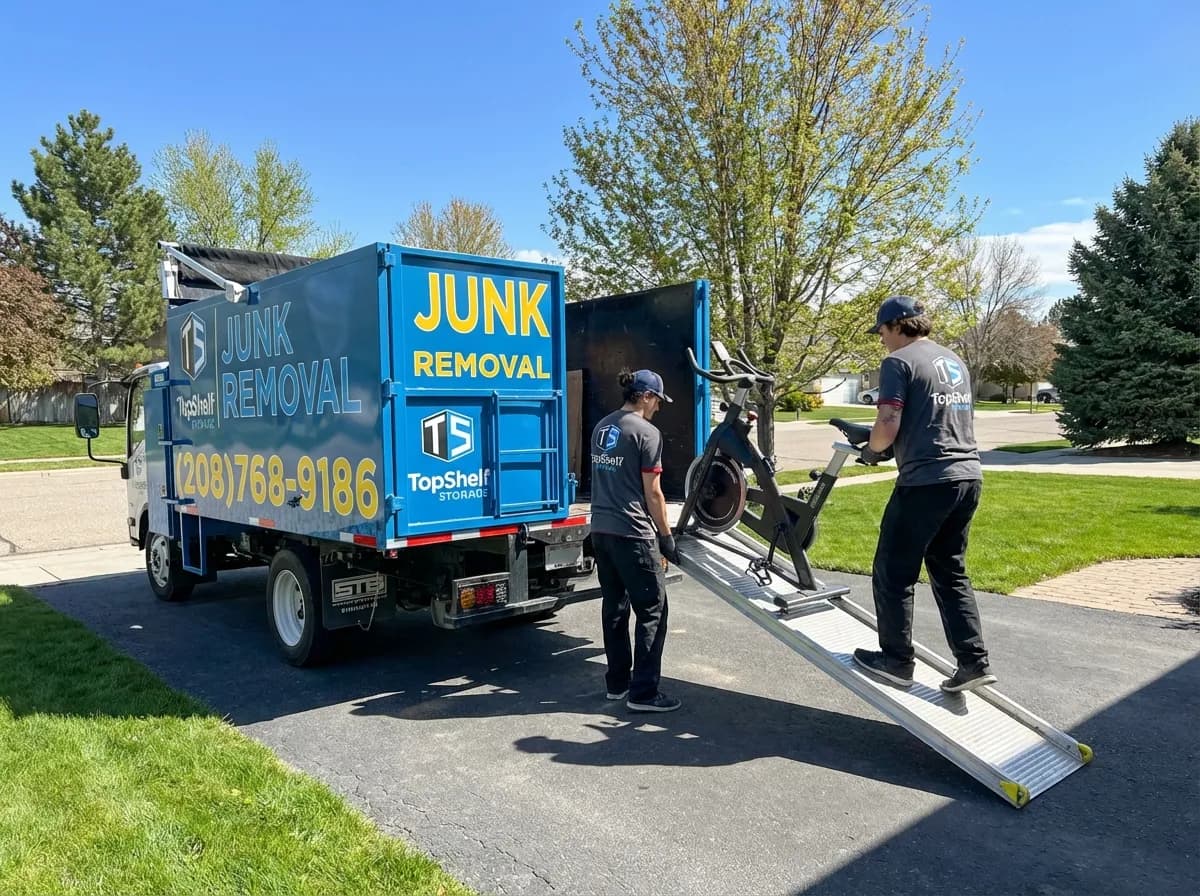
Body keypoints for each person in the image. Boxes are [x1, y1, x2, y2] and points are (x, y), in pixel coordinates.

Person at [851, 295, 998, 694]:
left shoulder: (898, 362)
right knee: (949, 569)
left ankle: (896, 660)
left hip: (926, 481)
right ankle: (973, 662)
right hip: (968, 477)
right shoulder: (952, 360)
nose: (881, 339)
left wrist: (873, 450)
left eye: (881, 330)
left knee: (893, 571)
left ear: (897, 325)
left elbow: (888, 419)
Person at [590, 368, 683, 713]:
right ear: (645, 396)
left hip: (601, 530)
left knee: (614, 608)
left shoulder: (603, 426)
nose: (659, 406)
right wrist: (666, 537)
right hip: (633, 533)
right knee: (652, 612)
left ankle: (617, 684)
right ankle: (644, 694)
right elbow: (654, 493)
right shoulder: (647, 433)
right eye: (658, 399)